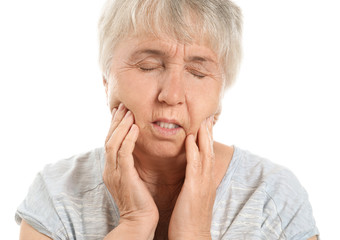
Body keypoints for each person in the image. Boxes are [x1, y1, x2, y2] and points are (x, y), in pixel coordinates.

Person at [16, 0, 319, 239]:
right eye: (148, 66)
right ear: (107, 79)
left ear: (221, 94)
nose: (171, 95)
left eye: (197, 72)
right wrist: (134, 224)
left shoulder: (273, 198)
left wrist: (193, 234)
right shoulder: (56, 197)